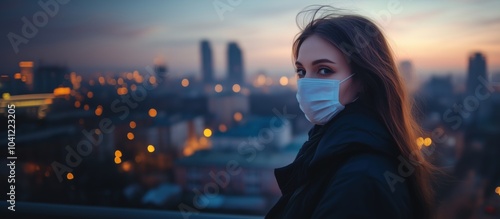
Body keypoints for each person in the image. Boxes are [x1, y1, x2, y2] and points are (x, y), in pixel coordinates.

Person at [266, 6, 435, 219]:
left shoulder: (361, 178)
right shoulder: (329, 148)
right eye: (301, 71)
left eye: (324, 70)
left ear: (363, 80)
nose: (306, 83)